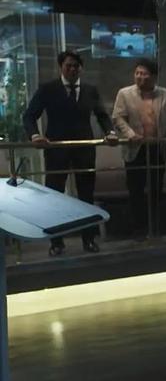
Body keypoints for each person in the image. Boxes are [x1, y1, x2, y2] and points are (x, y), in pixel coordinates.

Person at [22, 50, 118, 255]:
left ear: (80, 68)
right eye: (68, 66)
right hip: (56, 149)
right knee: (54, 196)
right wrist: (35, 136)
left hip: (84, 148)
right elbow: (29, 116)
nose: (72, 69)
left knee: (86, 195)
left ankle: (89, 240)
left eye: (76, 66)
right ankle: (56, 242)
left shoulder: (90, 90)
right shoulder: (48, 89)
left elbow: (102, 115)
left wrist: (110, 132)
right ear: (61, 67)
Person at [112, 59, 166, 239]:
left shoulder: (165, 95)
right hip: (135, 149)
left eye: (144, 74)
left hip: (156, 148)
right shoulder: (124, 94)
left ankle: (155, 227)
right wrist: (130, 134)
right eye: (137, 73)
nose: (140, 77)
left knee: (156, 190)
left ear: (154, 77)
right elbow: (118, 118)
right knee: (135, 190)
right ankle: (139, 229)